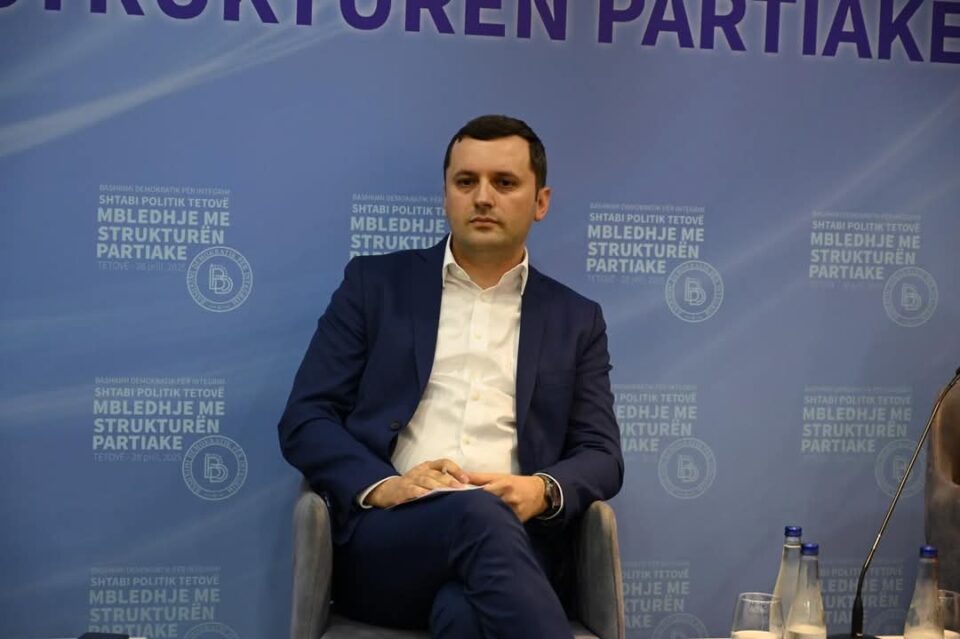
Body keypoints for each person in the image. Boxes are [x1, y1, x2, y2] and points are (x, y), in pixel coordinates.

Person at [278, 114, 623, 638]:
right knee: (475, 515)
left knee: (464, 615)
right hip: (391, 544)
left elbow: (601, 453)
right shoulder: (375, 286)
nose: (483, 197)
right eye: (466, 182)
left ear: (541, 201)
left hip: (519, 549)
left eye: (504, 182)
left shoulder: (576, 319)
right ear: (446, 195)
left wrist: (540, 489)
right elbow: (306, 419)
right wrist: (386, 486)